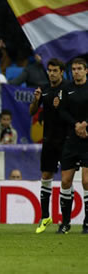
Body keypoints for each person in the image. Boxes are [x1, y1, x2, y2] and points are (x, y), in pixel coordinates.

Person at [29, 58, 69, 234]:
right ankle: (45, 217)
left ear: (61, 72)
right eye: (49, 70)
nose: (51, 73)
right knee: (46, 175)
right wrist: (36, 101)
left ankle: (66, 221)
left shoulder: (68, 88)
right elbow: (32, 112)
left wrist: (61, 106)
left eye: (55, 71)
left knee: (67, 179)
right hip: (49, 139)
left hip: (67, 140)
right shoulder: (44, 89)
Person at [57, 58, 88, 234]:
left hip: (87, 139)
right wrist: (76, 125)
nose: (76, 71)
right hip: (71, 138)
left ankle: (87, 223)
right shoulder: (66, 89)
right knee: (65, 180)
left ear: (86, 71)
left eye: (79, 69)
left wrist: (85, 125)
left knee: (86, 181)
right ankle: (66, 223)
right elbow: (62, 111)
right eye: (74, 69)